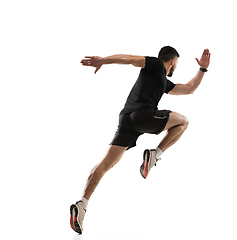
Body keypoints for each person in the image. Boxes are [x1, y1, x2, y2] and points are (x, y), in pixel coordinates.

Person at [70, 46, 211, 234]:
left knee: (105, 165)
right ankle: (155, 155)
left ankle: (82, 204)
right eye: (176, 64)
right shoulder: (155, 64)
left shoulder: (163, 82)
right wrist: (104, 60)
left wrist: (202, 70)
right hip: (143, 116)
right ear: (173, 62)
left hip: (127, 119)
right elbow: (129, 58)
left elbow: (189, 88)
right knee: (183, 122)